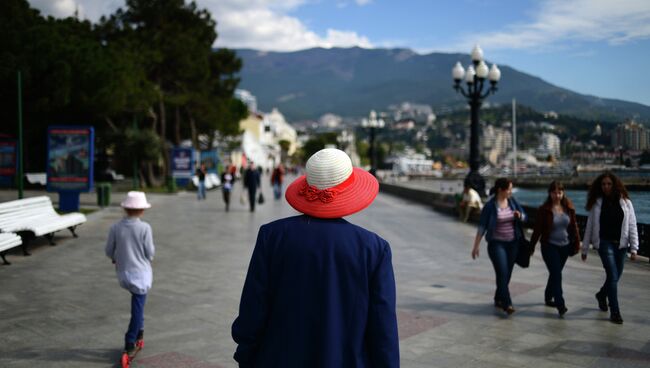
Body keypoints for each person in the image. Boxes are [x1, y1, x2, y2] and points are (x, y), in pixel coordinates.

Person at [232, 148, 399, 367]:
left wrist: (246, 354)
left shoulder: (272, 236)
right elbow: (383, 327)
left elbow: (253, 309)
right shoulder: (373, 248)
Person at [581, 172, 638, 324]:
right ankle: (615, 312)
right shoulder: (597, 203)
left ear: (615, 185)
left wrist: (634, 248)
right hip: (604, 243)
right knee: (612, 276)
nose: (606, 187)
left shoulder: (626, 203)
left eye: (609, 184)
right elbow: (589, 226)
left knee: (615, 277)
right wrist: (585, 249)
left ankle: (601, 295)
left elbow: (632, 225)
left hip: (621, 245)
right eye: (603, 184)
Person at [105, 191, 155, 361]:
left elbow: (109, 250)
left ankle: (140, 331)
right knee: (138, 308)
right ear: (142, 210)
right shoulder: (144, 228)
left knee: (138, 304)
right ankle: (130, 341)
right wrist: (148, 258)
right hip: (140, 275)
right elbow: (150, 252)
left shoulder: (115, 227)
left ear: (125, 208)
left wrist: (115, 258)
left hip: (123, 274)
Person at [471, 178, 527, 315]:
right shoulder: (490, 206)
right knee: (502, 272)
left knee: (506, 274)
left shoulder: (512, 202)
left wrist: (519, 216)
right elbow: (482, 226)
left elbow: (524, 216)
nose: (510, 192)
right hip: (496, 244)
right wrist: (476, 246)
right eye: (509, 189)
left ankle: (498, 297)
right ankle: (507, 303)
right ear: (501, 190)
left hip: (513, 243)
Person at [529, 181, 580, 317]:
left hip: (564, 246)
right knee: (557, 274)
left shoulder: (568, 207)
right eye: (554, 192)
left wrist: (577, 243)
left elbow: (574, 226)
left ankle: (548, 296)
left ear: (563, 193)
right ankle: (560, 303)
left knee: (555, 273)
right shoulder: (544, 209)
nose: (557, 195)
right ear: (550, 193)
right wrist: (531, 246)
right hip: (549, 246)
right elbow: (537, 229)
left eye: (559, 192)